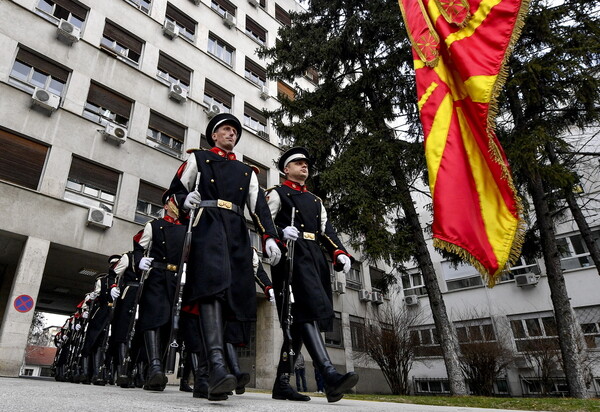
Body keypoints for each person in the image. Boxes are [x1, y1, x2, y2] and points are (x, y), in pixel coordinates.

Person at [166, 113, 281, 400]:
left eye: (235, 131)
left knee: (229, 297)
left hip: (236, 233)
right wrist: (184, 200)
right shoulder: (199, 159)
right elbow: (174, 191)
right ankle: (217, 367)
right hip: (207, 224)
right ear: (214, 135)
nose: (232, 134)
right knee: (210, 290)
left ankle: (205, 378)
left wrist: (269, 237)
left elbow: (259, 209)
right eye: (226, 130)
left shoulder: (246, 171)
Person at [267, 147, 359, 403]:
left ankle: (282, 383)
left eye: (306, 163)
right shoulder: (277, 193)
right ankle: (329, 373)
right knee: (305, 312)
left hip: (314, 258)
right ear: (286, 169)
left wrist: (340, 252)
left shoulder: (316, 201)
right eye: (298, 162)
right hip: (291, 256)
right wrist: (280, 232)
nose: (304, 166)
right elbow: (265, 221)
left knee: (299, 322)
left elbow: (326, 231)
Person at [133, 194, 187, 391]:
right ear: (167, 205)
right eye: (174, 202)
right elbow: (139, 247)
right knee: (153, 318)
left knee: (167, 325)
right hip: (156, 275)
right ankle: (155, 367)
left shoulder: (186, 228)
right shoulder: (154, 226)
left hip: (175, 279)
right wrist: (140, 260)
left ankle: (154, 371)